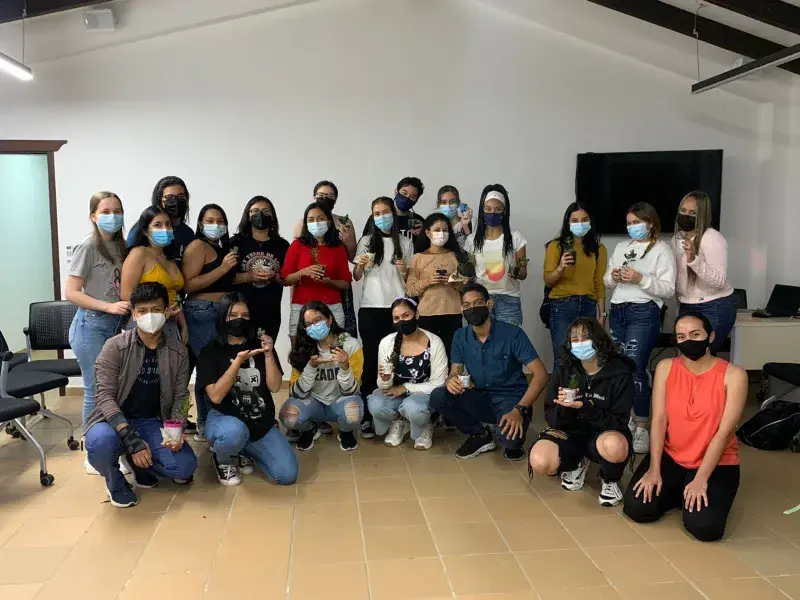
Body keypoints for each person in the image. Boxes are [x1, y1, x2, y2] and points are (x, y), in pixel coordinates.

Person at [623, 312, 746, 542]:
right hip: (672, 455)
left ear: (710, 337)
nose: (688, 340)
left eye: (695, 334)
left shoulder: (734, 375)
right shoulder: (666, 367)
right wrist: (654, 469)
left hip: (716, 461)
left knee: (704, 528)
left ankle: (689, 488)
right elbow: (659, 419)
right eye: (681, 336)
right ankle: (679, 490)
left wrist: (701, 479)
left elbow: (723, 433)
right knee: (637, 508)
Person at [84, 282, 198, 508]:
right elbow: (104, 397)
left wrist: (176, 430)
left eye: (156, 310)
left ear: (167, 312)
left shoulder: (178, 351)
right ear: (134, 315)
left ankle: (138, 463)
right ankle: (116, 482)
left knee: (184, 468)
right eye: (142, 311)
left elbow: (180, 395)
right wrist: (131, 439)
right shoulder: (115, 347)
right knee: (100, 442)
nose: (149, 316)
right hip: (112, 421)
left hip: (150, 421)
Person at [430, 283, 548, 461]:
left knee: (510, 443)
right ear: (462, 309)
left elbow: (541, 375)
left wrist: (519, 409)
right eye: (467, 305)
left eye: (478, 303)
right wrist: (451, 380)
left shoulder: (512, 334)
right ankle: (479, 434)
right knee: (439, 396)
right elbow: (455, 371)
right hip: (479, 396)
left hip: (510, 398)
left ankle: (515, 422)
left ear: (489, 304)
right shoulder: (460, 336)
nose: (472, 309)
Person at [528, 318, 634, 507]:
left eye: (585, 338)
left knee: (614, 446)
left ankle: (610, 479)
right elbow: (552, 419)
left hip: (604, 434)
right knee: (540, 461)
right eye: (575, 340)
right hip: (572, 434)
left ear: (599, 340)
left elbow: (619, 422)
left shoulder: (620, 374)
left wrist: (586, 408)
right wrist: (565, 408)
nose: (580, 343)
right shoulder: (564, 372)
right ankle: (576, 463)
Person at [197, 292, 298, 487]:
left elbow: (275, 386)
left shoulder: (259, 345)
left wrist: (268, 355)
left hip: (260, 422)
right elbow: (215, 396)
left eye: (244, 315)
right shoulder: (210, 351)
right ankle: (223, 459)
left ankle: (244, 450)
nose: (239, 320)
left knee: (287, 475)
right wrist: (237, 362)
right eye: (233, 315)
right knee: (234, 432)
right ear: (223, 317)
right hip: (225, 420)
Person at [66, 192, 131, 475]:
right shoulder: (89, 246)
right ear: (93, 216)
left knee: (116, 389)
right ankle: (92, 454)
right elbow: (71, 292)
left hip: (116, 325)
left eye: (117, 211)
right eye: (105, 211)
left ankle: (113, 448)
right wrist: (108, 306)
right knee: (95, 390)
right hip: (91, 326)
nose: (112, 216)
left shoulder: (123, 245)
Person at [604, 202, 676, 454]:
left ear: (650, 223)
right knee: (620, 369)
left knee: (636, 369)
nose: (632, 227)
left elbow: (668, 289)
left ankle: (643, 427)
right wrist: (613, 277)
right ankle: (628, 419)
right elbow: (606, 281)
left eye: (637, 222)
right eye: (629, 223)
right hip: (618, 310)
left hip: (644, 311)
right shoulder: (621, 247)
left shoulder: (662, 250)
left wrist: (641, 279)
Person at [354, 197, 414, 437]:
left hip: (398, 309)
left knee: (399, 360)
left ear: (393, 214)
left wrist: (405, 270)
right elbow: (356, 276)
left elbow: (410, 280)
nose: (381, 217)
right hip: (371, 308)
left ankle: (399, 414)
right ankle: (368, 417)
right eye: (377, 213)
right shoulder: (366, 241)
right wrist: (360, 265)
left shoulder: (406, 242)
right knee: (371, 362)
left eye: (385, 212)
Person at [181, 204, 238, 440]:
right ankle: (206, 423)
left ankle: (207, 422)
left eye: (220, 220)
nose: (216, 225)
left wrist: (251, 275)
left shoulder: (220, 247)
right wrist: (223, 267)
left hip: (220, 311)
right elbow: (187, 284)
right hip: (202, 312)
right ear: (201, 224)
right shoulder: (198, 246)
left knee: (212, 367)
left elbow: (222, 282)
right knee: (210, 369)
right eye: (210, 220)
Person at [279, 301, 364, 451]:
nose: (314, 327)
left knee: (353, 412)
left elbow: (352, 391)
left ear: (329, 319)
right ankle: (309, 429)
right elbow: (296, 393)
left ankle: (345, 432)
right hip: (313, 402)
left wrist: (344, 367)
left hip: (340, 400)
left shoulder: (350, 345)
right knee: (288, 416)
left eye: (317, 321)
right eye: (308, 324)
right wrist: (311, 367)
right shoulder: (302, 349)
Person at [368, 298, 447, 450]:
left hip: (424, 394)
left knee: (413, 407)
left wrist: (405, 388)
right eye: (396, 318)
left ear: (416, 314)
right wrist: (385, 379)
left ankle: (425, 423)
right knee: (375, 403)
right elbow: (382, 385)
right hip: (396, 393)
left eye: (406, 315)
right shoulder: (387, 342)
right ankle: (399, 421)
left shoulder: (434, 342)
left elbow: (439, 383)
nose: (401, 321)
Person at [671, 191, 736, 353]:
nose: (686, 216)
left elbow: (719, 281)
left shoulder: (712, 238)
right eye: (683, 211)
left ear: (702, 215)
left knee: (702, 356)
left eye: (693, 213)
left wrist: (694, 260)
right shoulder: (676, 239)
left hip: (713, 305)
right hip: (687, 305)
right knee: (686, 357)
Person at [544, 202, 607, 369]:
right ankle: (562, 388)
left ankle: (583, 387)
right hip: (562, 305)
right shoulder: (556, 246)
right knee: (563, 357)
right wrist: (560, 268)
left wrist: (602, 314)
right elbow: (548, 280)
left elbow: (598, 282)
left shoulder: (599, 249)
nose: (580, 224)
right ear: (568, 223)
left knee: (587, 357)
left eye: (584, 219)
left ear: (591, 222)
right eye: (575, 220)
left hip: (588, 305)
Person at [282, 202, 352, 348]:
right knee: (299, 351)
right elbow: (286, 279)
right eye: (311, 220)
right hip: (302, 307)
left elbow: (345, 283)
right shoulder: (297, 245)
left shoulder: (338, 247)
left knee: (336, 351)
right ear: (306, 224)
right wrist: (303, 272)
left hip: (332, 306)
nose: (316, 223)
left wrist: (329, 281)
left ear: (328, 221)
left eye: (320, 218)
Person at [293, 181, 358, 336]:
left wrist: (347, 241)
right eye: (321, 195)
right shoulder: (303, 223)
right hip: (310, 284)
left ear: (336, 199)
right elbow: (295, 261)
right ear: (314, 197)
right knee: (312, 327)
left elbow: (353, 257)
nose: (325, 199)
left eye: (330, 196)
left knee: (339, 330)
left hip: (337, 283)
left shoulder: (344, 222)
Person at [121, 206, 188, 345]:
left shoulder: (169, 257)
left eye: (168, 224)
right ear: (145, 230)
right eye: (158, 225)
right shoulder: (139, 253)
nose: (165, 229)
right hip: (146, 324)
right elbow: (126, 295)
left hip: (171, 321)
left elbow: (174, 296)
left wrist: (183, 325)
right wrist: (156, 312)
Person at [465, 184, 528, 327]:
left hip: (509, 299)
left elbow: (523, 273)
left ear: (504, 211)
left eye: (498, 209)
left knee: (509, 339)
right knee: (482, 339)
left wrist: (517, 272)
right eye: (488, 209)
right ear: (482, 210)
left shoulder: (516, 237)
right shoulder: (472, 240)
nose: (492, 213)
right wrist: (465, 276)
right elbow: (471, 273)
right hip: (481, 300)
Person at [230, 196, 290, 341]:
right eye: (255, 211)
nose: (260, 215)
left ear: (272, 216)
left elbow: (287, 279)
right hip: (240, 311)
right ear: (247, 215)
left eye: (265, 211)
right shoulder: (235, 243)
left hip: (270, 311)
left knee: (266, 350)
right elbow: (226, 279)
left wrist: (274, 276)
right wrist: (249, 276)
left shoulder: (282, 245)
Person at [405, 213, 465, 358]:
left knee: (452, 355)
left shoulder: (455, 256)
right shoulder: (417, 258)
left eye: (445, 230)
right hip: (427, 315)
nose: (441, 234)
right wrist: (428, 281)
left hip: (452, 313)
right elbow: (410, 290)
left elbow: (464, 287)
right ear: (427, 232)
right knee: (429, 356)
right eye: (437, 230)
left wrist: (453, 280)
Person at [126, 176, 194, 266]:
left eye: (181, 196)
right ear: (160, 200)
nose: (176, 201)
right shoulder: (142, 229)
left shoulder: (188, 233)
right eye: (169, 197)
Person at [415, 185, 474, 251]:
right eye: (444, 202)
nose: (448, 206)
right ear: (438, 204)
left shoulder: (472, 222)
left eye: (452, 201)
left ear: (458, 203)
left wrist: (465, 226)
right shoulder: (432, 225)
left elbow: (473, 248)